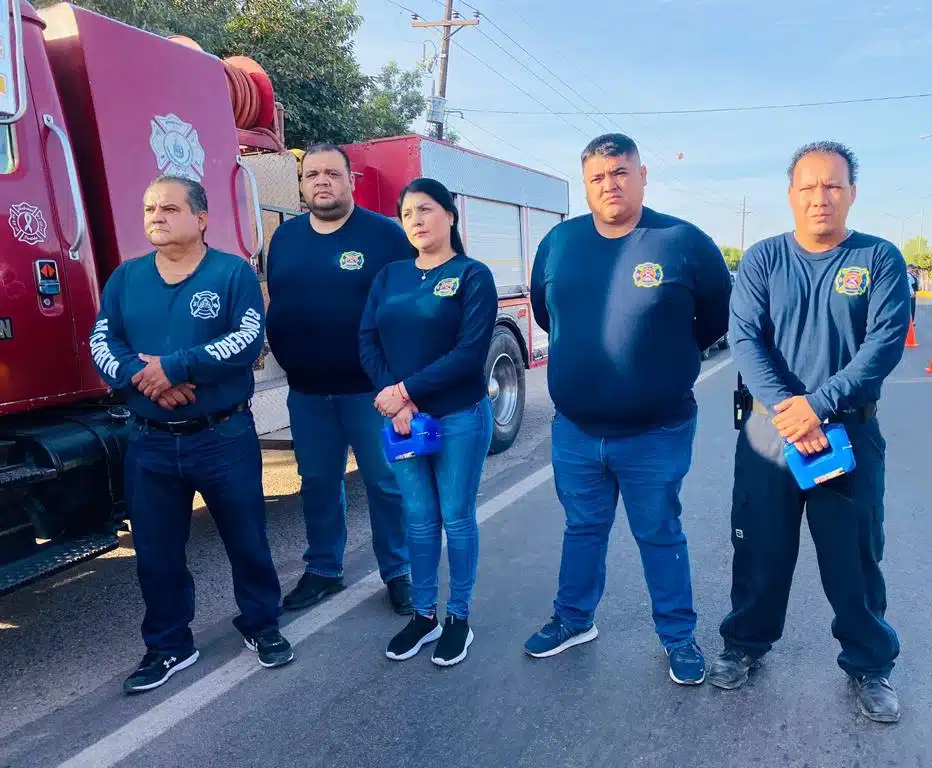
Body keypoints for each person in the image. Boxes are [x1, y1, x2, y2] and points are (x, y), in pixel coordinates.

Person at [522, 133, 733, 686]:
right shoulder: (559, 243)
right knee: (583, 528)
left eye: (620, 172)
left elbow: (715, 318)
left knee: (659, 533)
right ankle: (573, 620)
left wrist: (663, 360)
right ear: (586, 184)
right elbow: (549, 314)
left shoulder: (682, 242)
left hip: (656, 431)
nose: (609, 184)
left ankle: (678, 638)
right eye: (597, 176)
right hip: (575, 429)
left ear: (642, 176)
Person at [711, 141, 909, 723]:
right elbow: (744, 340)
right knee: (759, 550)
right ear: (791, 194)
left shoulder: (879, 258)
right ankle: (744, 646)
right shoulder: (764, 259)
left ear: (851, 193)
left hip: (847, 435)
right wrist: (787, 408)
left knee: (854, 557)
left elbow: (883, 347)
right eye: (808, 186)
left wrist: (817, 406)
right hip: (770, 435)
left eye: (832, 186)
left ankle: (871, 665)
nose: (820, 197)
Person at [89, 175, 294, 694]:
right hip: (150, 441)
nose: (156, 216)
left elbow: (248, 339)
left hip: (222, 437)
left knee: (246, 539)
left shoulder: (231, 274)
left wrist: (177, 367)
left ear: (201, 219)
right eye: (149, 207)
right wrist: (147, 377)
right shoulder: (125, 279)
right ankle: (168, 646)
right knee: (156, 553)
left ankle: (261, 625)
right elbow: (101, 341)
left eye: (169, 208)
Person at [265, 143, 413, 614]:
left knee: (386, 483)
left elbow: (415, 303)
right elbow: (279, 300)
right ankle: (324, 569)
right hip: (307, 392)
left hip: (371, 392)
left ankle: (400, 570)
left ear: (351, 181)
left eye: (332, 173)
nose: (322, 181)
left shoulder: (386, 236)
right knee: (318, 483)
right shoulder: (285, 239)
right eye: (312, 175)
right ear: (302, 184)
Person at [359, 177, 498, 667]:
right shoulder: (390, 276)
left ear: (450, 215)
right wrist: (395, 400)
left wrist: (406, 392)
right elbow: (368, 339)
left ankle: (458, 617)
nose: (416, 221)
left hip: (459, 415)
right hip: (404, 422)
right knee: (418, 520)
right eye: (407, 214)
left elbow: (469, 353)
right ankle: (424, 615)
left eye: (426, 210)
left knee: (456, 517)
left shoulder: (472, 275)